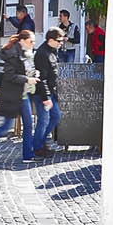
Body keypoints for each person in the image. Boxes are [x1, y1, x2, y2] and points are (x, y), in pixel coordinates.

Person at [0, 30, 36, 163]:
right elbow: (10, 76)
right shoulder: (12, 54)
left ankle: (28, 155)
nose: (33, 44)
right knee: (6, 127)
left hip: (22, 95)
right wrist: (27, 79)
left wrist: (33, 74)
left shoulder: (24, 53)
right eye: (30, 41)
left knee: (28, 125)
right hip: (11, 95)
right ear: (22, 41)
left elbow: (25, 71)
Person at [32, 28, 64, 156]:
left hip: (51, 91)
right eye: (59, 40)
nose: (61, 43)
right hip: (42, 93)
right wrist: (46, 98)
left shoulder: (53, 51)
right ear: (50, 40)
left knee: (56, 116)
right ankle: (38, 147)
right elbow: (42, 79)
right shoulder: (42, 54)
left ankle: (42, 141)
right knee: (44, 120)